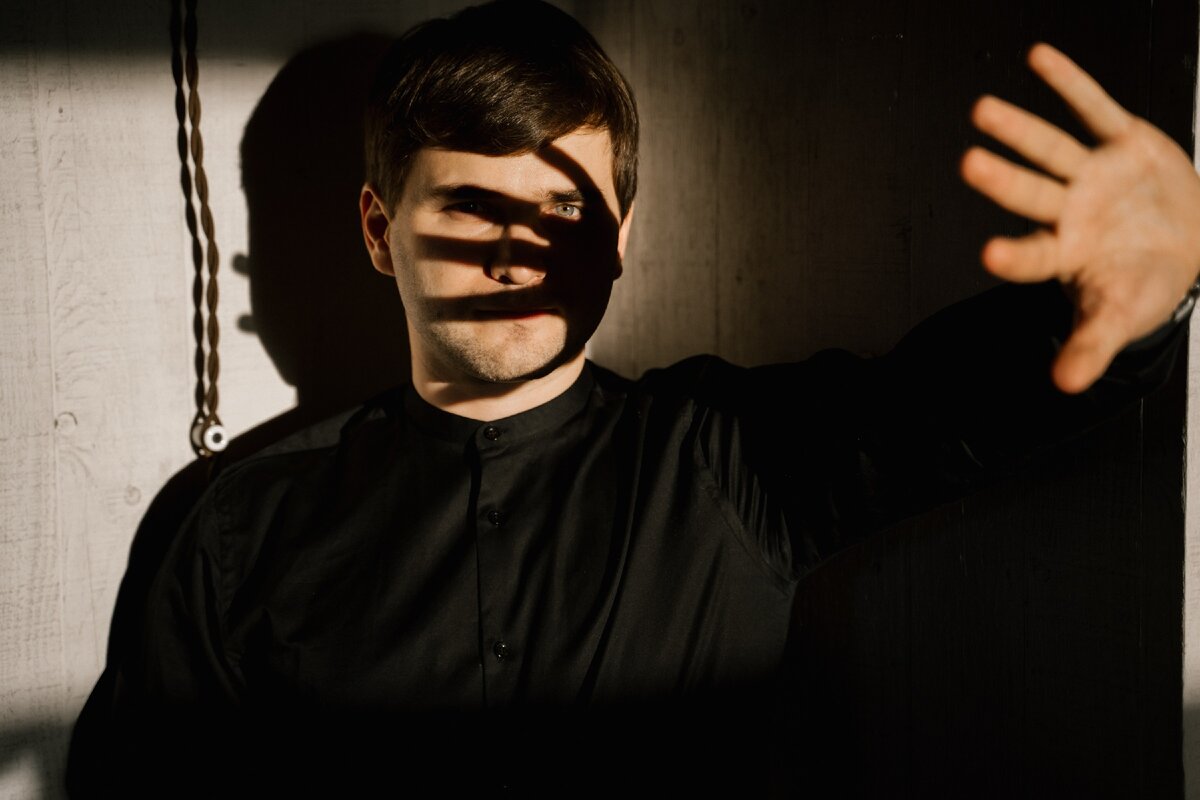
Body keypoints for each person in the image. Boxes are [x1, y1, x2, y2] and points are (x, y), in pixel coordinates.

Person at [68, 0, 1200, 795]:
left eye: (564, 210)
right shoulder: (237, 529)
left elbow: (943, 410)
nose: (518, 254)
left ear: (620, 236)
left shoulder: (722, 458)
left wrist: (1141, 297)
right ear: (379, 231)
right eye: (469, 205)